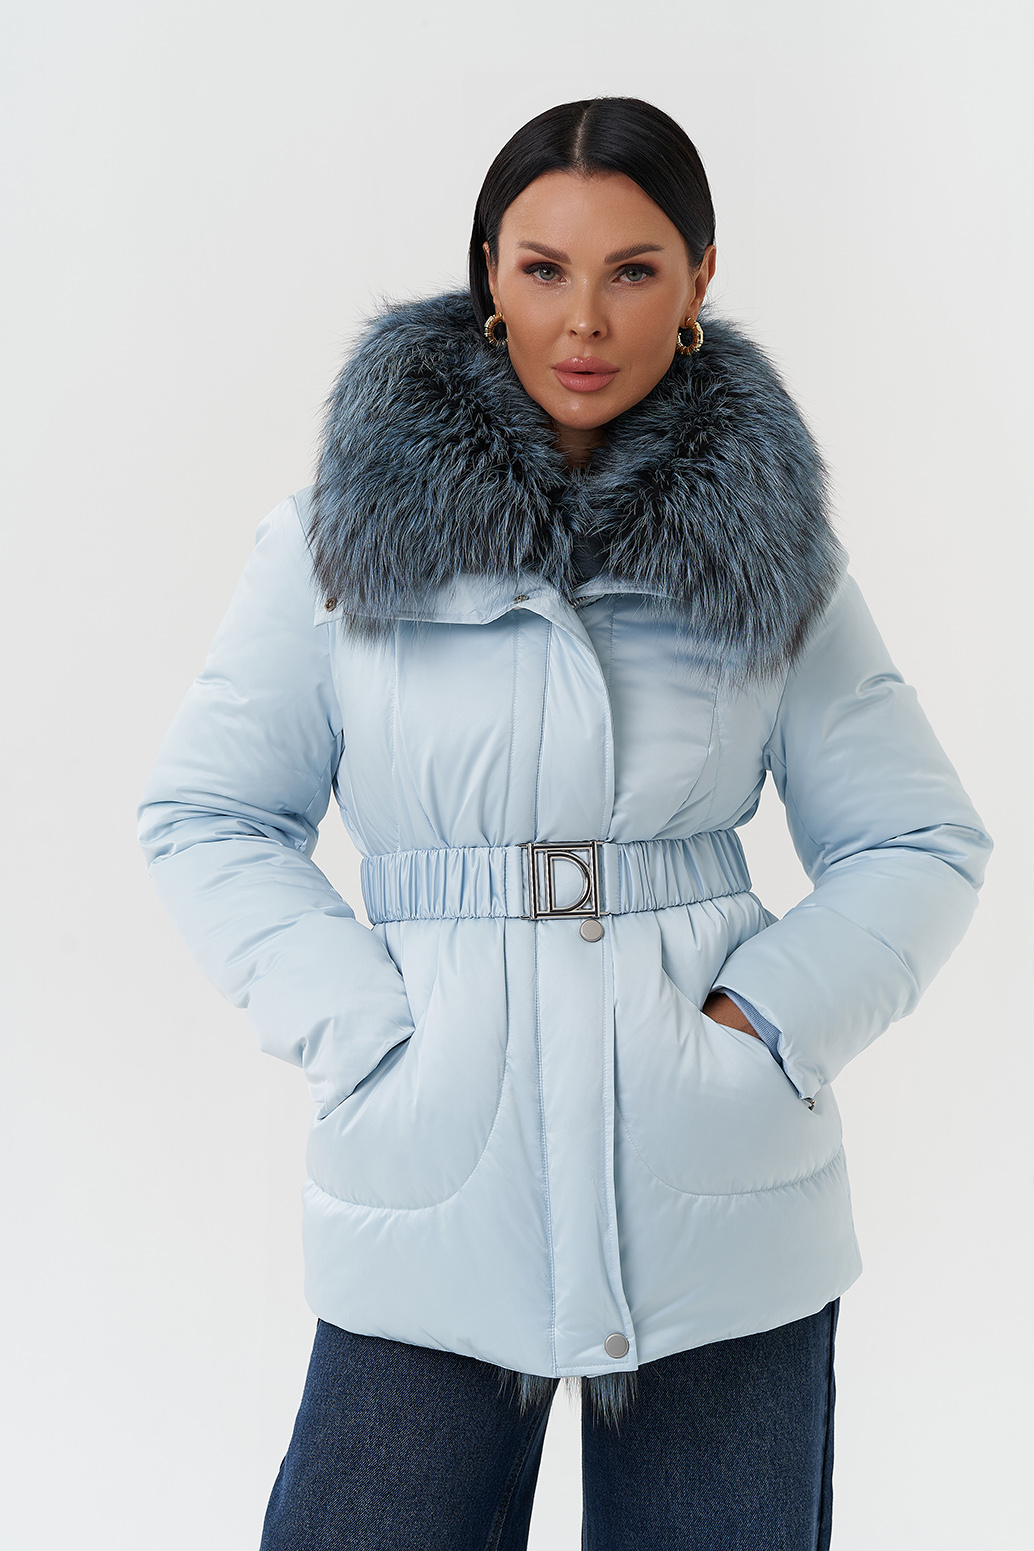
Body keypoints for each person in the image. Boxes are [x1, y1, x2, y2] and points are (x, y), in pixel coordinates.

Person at [137, 97, 992, 1550]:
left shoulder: (771, 549)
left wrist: (765, 1027)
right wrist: (372, 1039)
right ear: (489, 272)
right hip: (432, 1175)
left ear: (699, 278)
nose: (583, 321)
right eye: (543, 269)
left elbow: (918, 839)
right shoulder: (337, 540)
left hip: (718, 1199)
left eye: (632, 270)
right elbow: (211, 814)